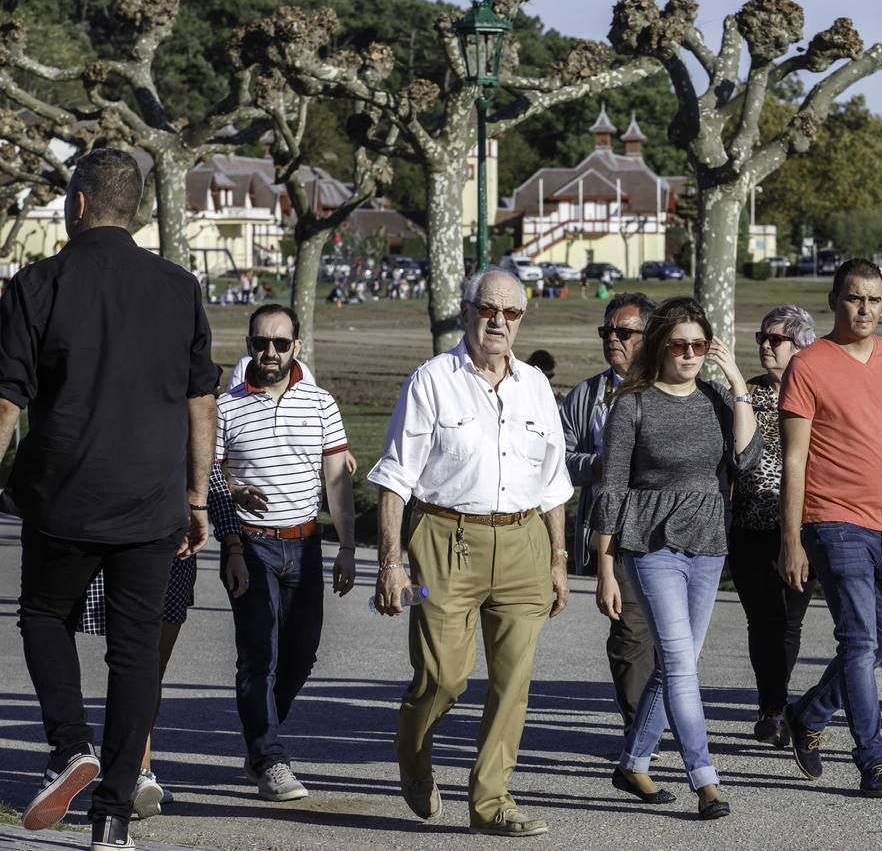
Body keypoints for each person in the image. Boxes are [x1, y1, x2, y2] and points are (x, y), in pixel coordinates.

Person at [0, 148, 219, 850]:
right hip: (152, 503)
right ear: (137, 208)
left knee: (42, 616)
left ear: (80, 202)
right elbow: (202, 403)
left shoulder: (37, 283)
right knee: (133, 655)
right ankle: (114, 816)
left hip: (63, 496)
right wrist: (196, 497)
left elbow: (5, 405)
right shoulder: (179, 287)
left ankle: (70, 747)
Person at [368, 267, 572, 837]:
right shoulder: (432, 380)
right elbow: (395, 479)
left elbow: (554, 482)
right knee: (443, 677)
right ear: (467, 312)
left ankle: (492, 801)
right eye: (488, 310)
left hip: (525, 542)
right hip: (444, 541)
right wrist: (391, 562)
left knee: (514, 682)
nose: (499, 322)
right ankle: (412, 749)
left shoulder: (535, 385)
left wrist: (558, 559)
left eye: (511, 313)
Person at [593, 296, 760, 821]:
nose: (690, 354)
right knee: (682, 666)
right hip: (651, 544)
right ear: (660, 346)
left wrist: (737, 386)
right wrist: (604, 566)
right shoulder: (633, 403)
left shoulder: (713, 398)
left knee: (677, 664)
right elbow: (611, 487)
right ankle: (704, 778)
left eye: (699, 346)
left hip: (708, 543)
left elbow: (746, 460)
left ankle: (633, 762)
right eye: (680, 345)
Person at [778, 258, 882, 799]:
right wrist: (791, 538)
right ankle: (873, 760)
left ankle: (809, 713)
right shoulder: (809, 366)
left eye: (874, 299)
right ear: (834, 301)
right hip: (832, 521)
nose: (865, 309)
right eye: (854, 298)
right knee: (859, 639)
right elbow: (794, 459)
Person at [216, 304, 356, 802]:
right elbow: (210, 475)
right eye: (260, 343)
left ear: (297, 346)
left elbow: (337, 480)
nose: (269, 352)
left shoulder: (321, 404)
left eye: (280, 343)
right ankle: (270, 758)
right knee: (259, 656)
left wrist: (347, 547)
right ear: (249, 345)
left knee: (300, 656)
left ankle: (259, 735)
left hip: (306, 545)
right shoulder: (226, 406)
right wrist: (232, 492)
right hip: (250, 544)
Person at [75, 464, 245, 820]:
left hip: (176, 556)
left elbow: (210, 477)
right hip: (122, 548)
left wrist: (233, 545)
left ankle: (137, 770)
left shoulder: (186, 417)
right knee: (132, 664)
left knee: (152, 669)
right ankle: (133, 772)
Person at [559, 292, 658, 751]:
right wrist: (600, 465)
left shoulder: (673, 388)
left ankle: (664, 720)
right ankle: (640, 732)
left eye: (624, 332)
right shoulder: (586, 395)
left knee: (670, 637)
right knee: (630, 634)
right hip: (614, 533)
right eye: (607, 332)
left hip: (670, 532)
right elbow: (557, 459)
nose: (612, 340)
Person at [730, 305, 818, 747]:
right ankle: (773, 706)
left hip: (802, 526)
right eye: (761, 337)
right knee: (760, 620)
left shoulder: (818, 394)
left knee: (788, 620)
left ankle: (777, 706)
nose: (765, 345)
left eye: (776, 339)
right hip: (750, 525)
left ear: (801, 346)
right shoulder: (746, 393)